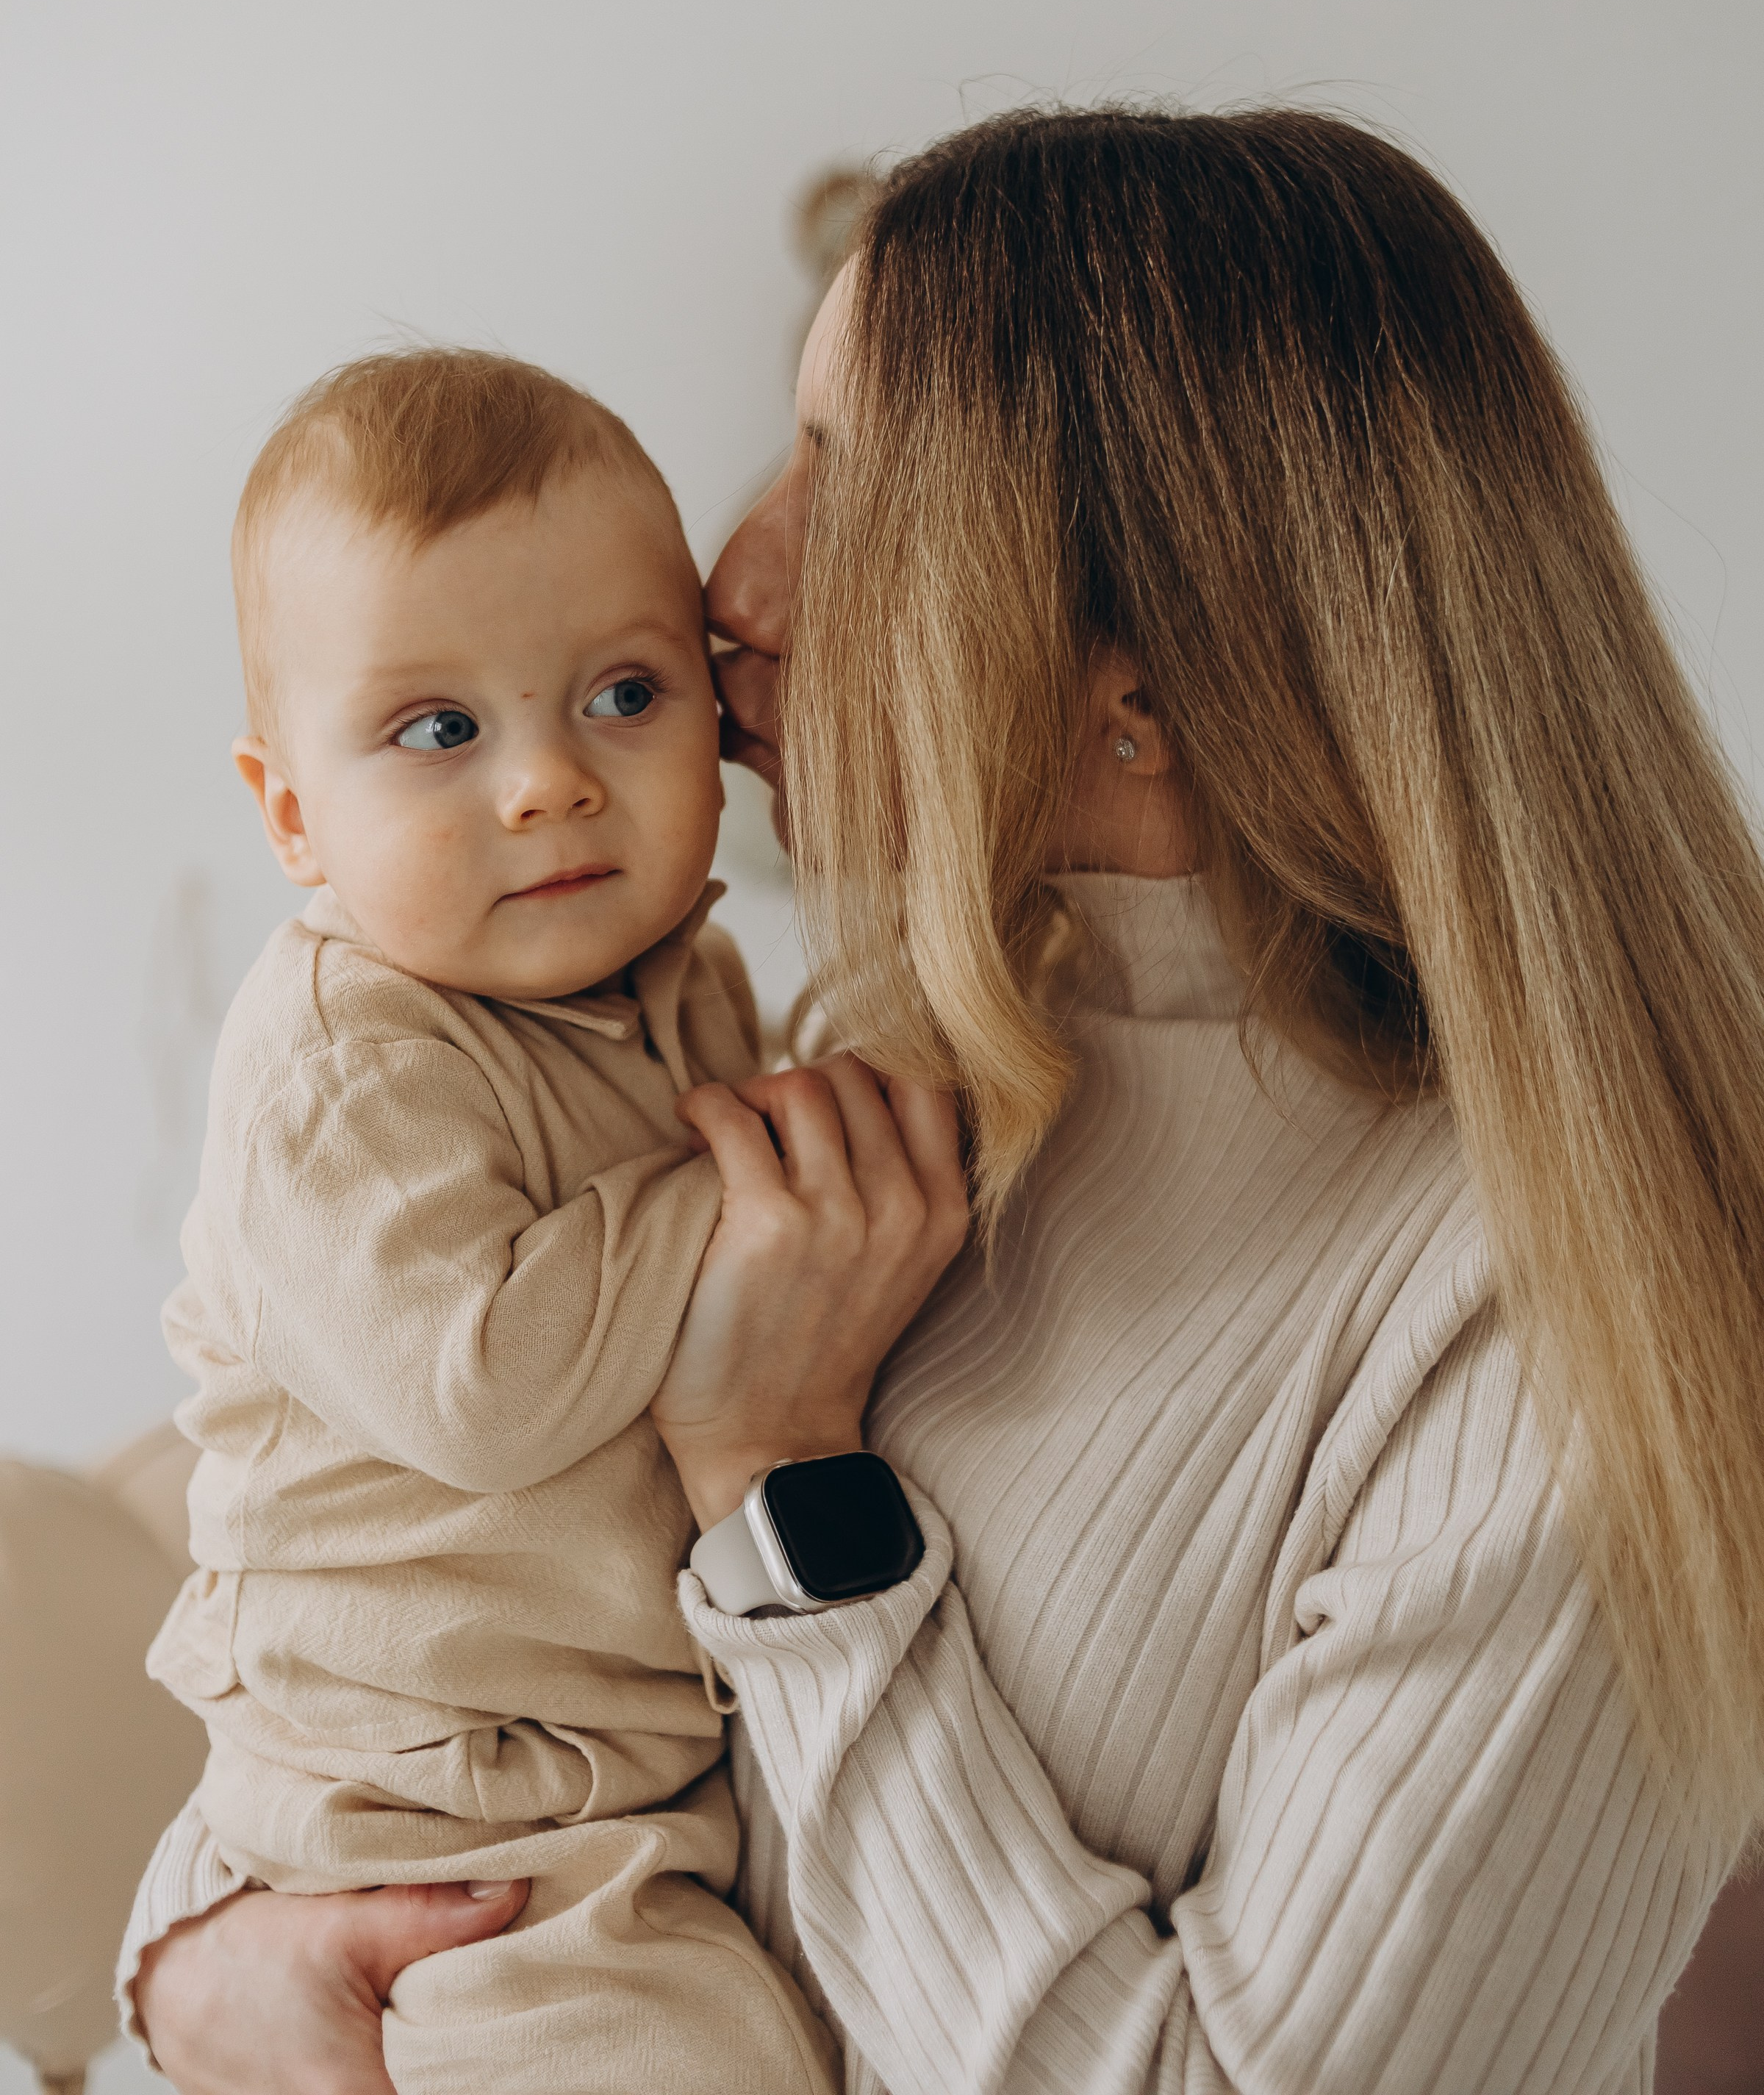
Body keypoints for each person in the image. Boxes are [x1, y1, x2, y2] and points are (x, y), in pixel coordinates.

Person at [131, 107, 1764, 2094]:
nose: (727, 582)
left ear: (1145, 683)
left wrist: (790, 1488)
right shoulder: (909, 1046)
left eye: (838, 475)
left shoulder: (1562, 1323)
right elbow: (403, 1596)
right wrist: (209, 1946)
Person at [131, 348, 940, 2093]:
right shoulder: (343, 1068)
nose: (549, 784)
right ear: (291, 814)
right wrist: (763, 1186)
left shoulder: (689, 978)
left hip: (620, 1778)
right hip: (425, 1810)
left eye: (626, 694)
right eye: (440, 730)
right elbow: (480, 1385)